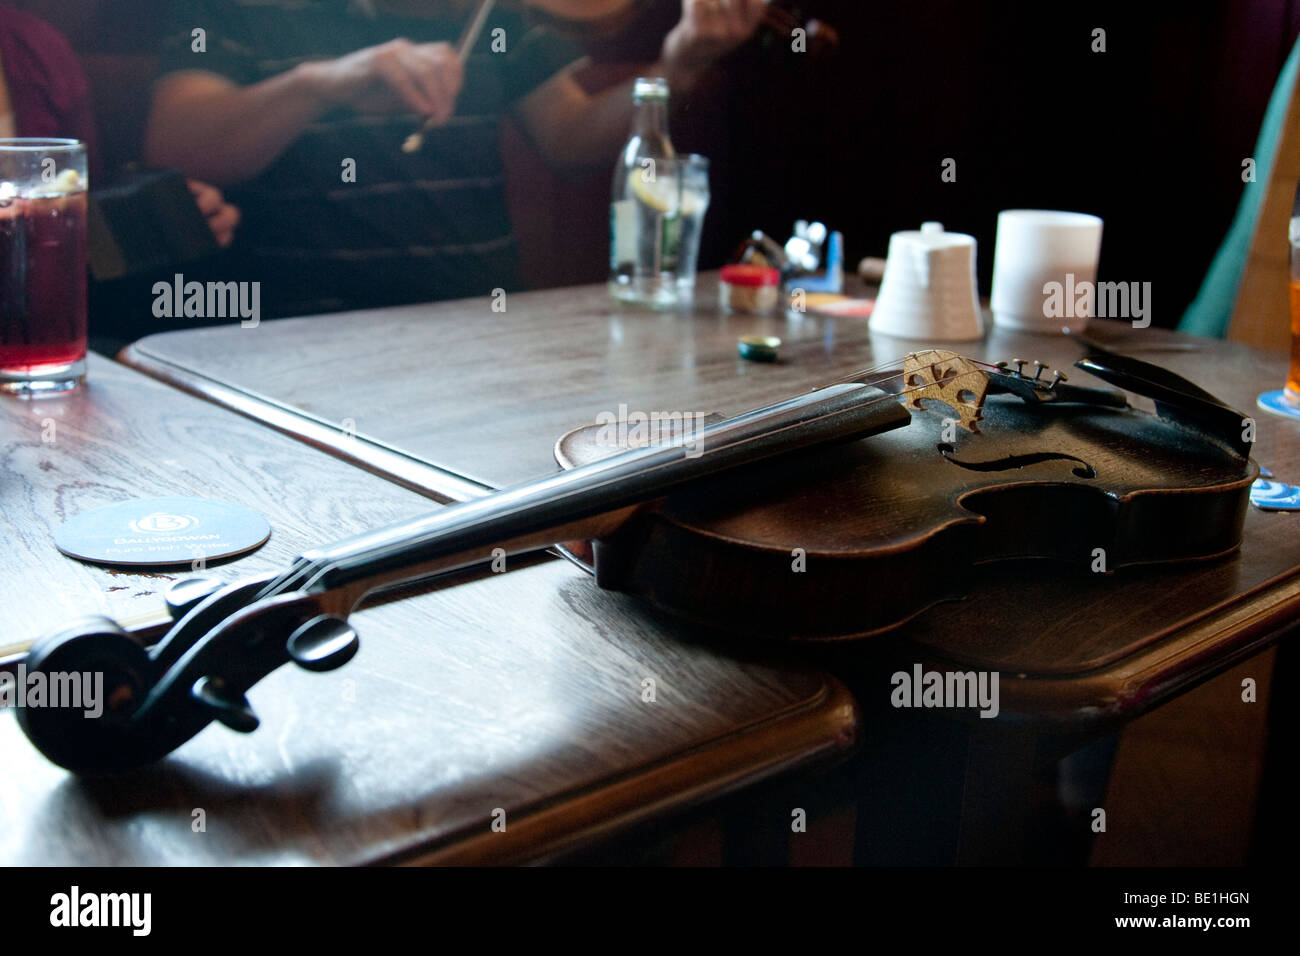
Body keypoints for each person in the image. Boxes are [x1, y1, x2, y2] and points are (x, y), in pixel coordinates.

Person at [144, 0, 765, 316]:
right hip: (301, 339)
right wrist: (324, 82)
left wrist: (679, 65)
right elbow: (177, 144)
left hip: (483, 326)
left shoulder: (489, 14)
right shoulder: (236, 12)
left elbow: (572, 137)